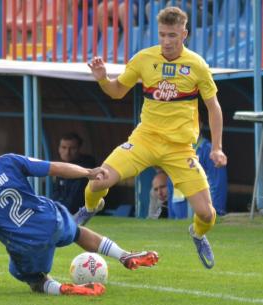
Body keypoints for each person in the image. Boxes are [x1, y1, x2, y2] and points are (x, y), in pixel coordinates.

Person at [79, 7, 227, 269]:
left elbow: (213, 107)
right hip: (144, 140)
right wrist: (103, 80)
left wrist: (216, 148)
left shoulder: (197, 65)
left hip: (180, 148)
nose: (167, 41)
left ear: (185, 34)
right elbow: (117, 92)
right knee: (99, 179)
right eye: (162, 35)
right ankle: (90, 208)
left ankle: (198, 233)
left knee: (206, 214)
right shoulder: (144, 59)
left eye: (172, 35)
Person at [0, 126, 158, 296]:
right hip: (51, 218)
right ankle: (124, 255)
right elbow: (54, 167)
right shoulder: (8, 161)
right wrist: (88, 172)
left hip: (27, 243)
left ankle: (62, 288)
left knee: (29, 275)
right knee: (77, 233)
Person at [167, 120, 228, 218]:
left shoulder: (209, 150)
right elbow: (171, 184)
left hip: (201, 216)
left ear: (200, 124)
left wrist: (216, 213)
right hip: (178, 216)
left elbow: (218, 184)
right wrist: (171, 216)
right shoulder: (174, 151)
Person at [53, 132, 96, 214]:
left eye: (72, 148)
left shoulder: (86, 167)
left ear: (79, 149)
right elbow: (57, 192)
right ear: (59, 148)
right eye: (64, 147)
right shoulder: (61, 165)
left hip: (80, 212)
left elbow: (76, 198)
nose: (67, 152)